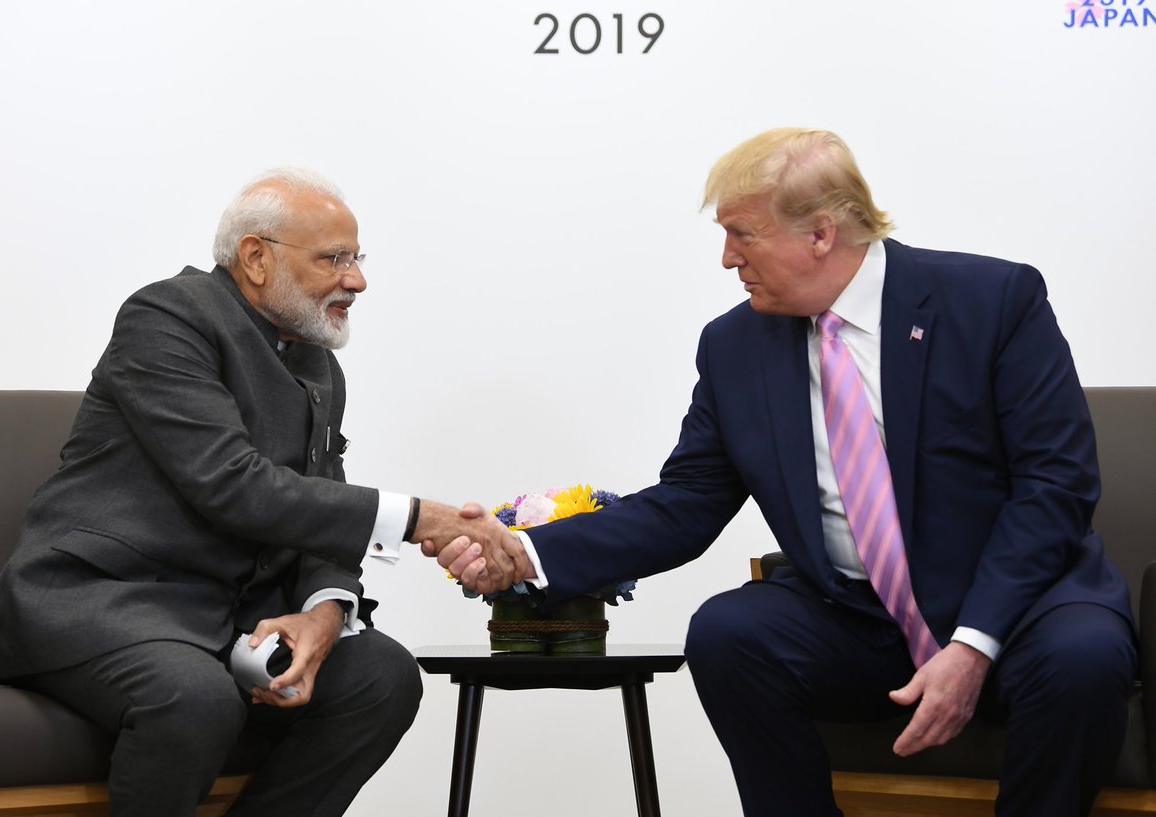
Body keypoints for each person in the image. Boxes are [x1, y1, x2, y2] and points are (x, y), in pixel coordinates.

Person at [429, 129, 1138, 817]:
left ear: (821, 233)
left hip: (1019, 608)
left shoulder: (992, 301)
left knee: (1084, 659)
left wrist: (973, 642)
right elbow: (688, 502)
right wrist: (525, 551)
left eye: (743, 234)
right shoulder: (735, 344)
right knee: (730, 633)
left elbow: (1056, 485)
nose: (727, 259)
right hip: (861, 619)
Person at [0, 169, 525, 817]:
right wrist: (420, 518)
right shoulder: (168, 317)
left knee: (382, 676)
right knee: (196, 698)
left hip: (229, 622)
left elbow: (321, 502)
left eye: (357, 258)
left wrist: (324, 614)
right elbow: (234, 485)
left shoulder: (316, 362)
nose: (357, 280)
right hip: (102, 601)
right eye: (334, 258)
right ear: (255, 257)